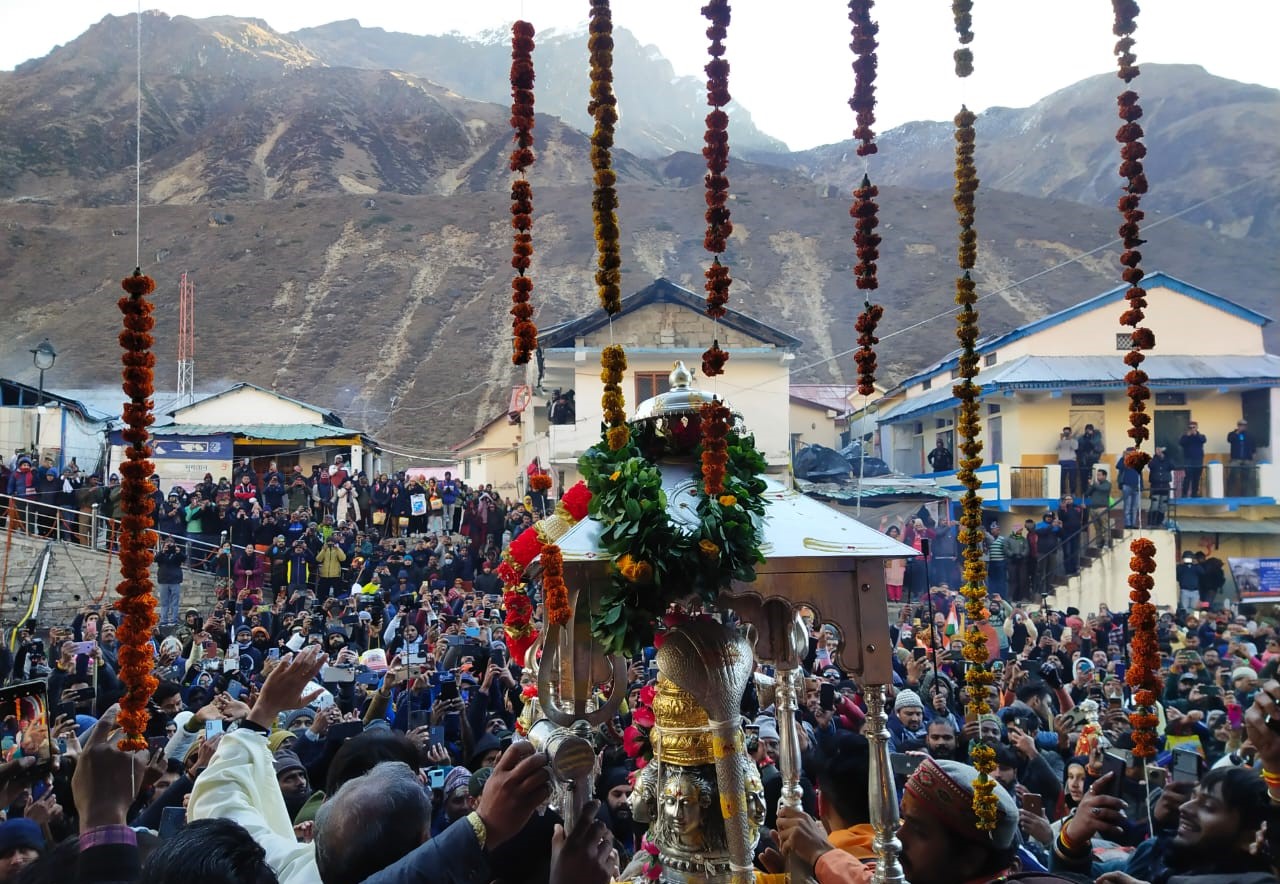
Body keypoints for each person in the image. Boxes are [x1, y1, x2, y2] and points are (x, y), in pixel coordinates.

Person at [155, 540, 186, 626]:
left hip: (175, 581)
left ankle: (174, 620)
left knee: (174, 602)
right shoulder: (162, 554)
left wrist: (178, 552)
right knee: (164, 602)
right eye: (167, 545)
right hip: (163, 581)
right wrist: (162, 551)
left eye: (171, 545)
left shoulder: (177, 554)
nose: (169, 548)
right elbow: (155, 559)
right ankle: (163, 620)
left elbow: (184, 558)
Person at [1225, 419, 1256, 497]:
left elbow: (1253, 446)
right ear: (1238, 425)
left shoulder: (1249, 435)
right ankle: (1230, 495)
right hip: (1235, 459)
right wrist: (1237, 432)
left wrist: (1252, 456)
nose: (1242, 427)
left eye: (1244, 425)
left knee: (1247, 478)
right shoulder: (1232, 434)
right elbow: (1229, 440)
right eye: (1241, 425)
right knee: (1232, 477)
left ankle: (1246, 496)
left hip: (1247, 459)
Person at [1115, 449, 1143, 529]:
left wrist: (1141, 486)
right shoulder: (1124, 461)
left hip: (1136, 486)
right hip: (1126, 485)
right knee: (1127, 505)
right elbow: (1118, 466)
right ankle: (1128, 524)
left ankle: (1133, 524)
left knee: (1135, 506)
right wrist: (1123, 457)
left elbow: (1140, 475)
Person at [1179, 420, 1207, 498]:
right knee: (1188, 477)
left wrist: (1196, 435)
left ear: (1197, 428)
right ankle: (1184, 494)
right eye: (1190, 427)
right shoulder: (1185, 436)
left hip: (1198, 459)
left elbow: (1203, 440)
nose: (1192, 429)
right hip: (1188, 459)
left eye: (1193, 427)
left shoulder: (1201, 436)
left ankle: (1194, 494)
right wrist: (1188, 436)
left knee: (1196, 477)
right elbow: (1181, 443)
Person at [1147, 446, 1173, 527]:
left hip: (1165, 486)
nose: (1159, 452)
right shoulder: (1154, 460)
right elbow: (1150, 465)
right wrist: (1156, 456)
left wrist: (1165, 456)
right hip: (1156, 486)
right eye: (1157, 450)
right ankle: (1151, 523)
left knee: (1163, 506)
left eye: (1160, 450)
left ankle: (1159, 522)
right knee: (1154, 505)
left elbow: (1172, 466)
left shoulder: (1167, 460)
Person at [1055, 426, 1078, 495]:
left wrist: (1070, 439)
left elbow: (1075, 448)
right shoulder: (1060, 441)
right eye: (1065, 432)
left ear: (1070, 433)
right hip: (1062, 461)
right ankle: (1063, 493)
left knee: (1072, 478)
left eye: (1067, 432)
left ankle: (1073, 493)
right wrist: (1062, 440)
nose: (1066, 434)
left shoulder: (1074, 441)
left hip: (1071, 461)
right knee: (1062, 478)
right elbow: (1056, 448)